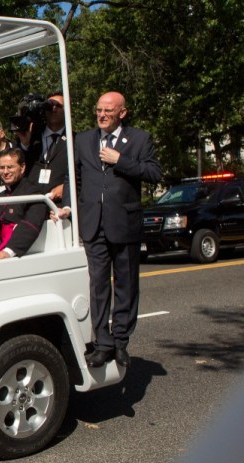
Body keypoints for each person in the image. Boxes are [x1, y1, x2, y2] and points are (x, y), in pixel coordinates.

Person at [56, 91, 162, 368]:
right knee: (98, 286)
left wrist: (121, 160)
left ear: (122, 113)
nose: (102, 115)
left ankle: (121, 340)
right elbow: (73, 177)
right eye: (99, 110)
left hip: (124, 224)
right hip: (93, 224)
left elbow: (154, 173)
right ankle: (103, 343)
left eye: (108, 111)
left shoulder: (139, 139)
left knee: (126, 285)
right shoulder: (83, 140)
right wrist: (68, 206)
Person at [16, 92, 69, 203]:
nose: (53, 108)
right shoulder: (31, 136)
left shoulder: (75, 140)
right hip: (31, 202)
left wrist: (67, 187)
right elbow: (18, 165)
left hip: (59, 205)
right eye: (49, 105)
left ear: (68, 110)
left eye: (59, 106)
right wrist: (25, 144)